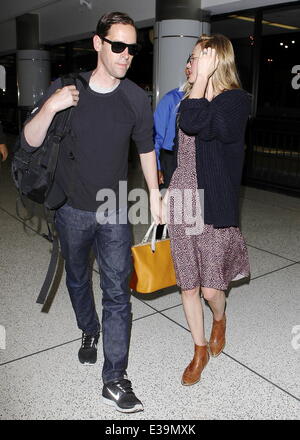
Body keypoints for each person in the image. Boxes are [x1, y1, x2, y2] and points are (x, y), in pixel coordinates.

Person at [21, 11, 161, 413]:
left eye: (132, 48)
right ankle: (88, 331)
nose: (126, 55)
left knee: (118, 293)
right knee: (79, 280)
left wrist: (154, 193)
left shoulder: (135, 98)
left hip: (115, 209)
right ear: (98, 44)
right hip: (71, 210)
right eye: (118, 46)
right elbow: (30, 142)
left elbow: (146, 149)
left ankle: (114, 378)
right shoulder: (67, 89)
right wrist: (50, 106)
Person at [163, 34, 251, 386]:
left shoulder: (236, 101)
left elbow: (197, 123)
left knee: (212, 289)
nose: (192, 62)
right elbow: (177, 152)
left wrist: (199, 81)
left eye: (198, 56)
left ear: (217, 60)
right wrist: (164, 195)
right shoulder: (189, 97)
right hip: (182, 197)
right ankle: (198, 349)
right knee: (187, 284)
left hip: (213, 201)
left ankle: (220, 317)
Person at [154, 66, 190, 189]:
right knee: (172, 204)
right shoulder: (171, 98)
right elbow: (156, 137)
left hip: (193, 160)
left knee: (189, 204)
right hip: (170, 159)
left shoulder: (208, 99)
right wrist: (157, 167)